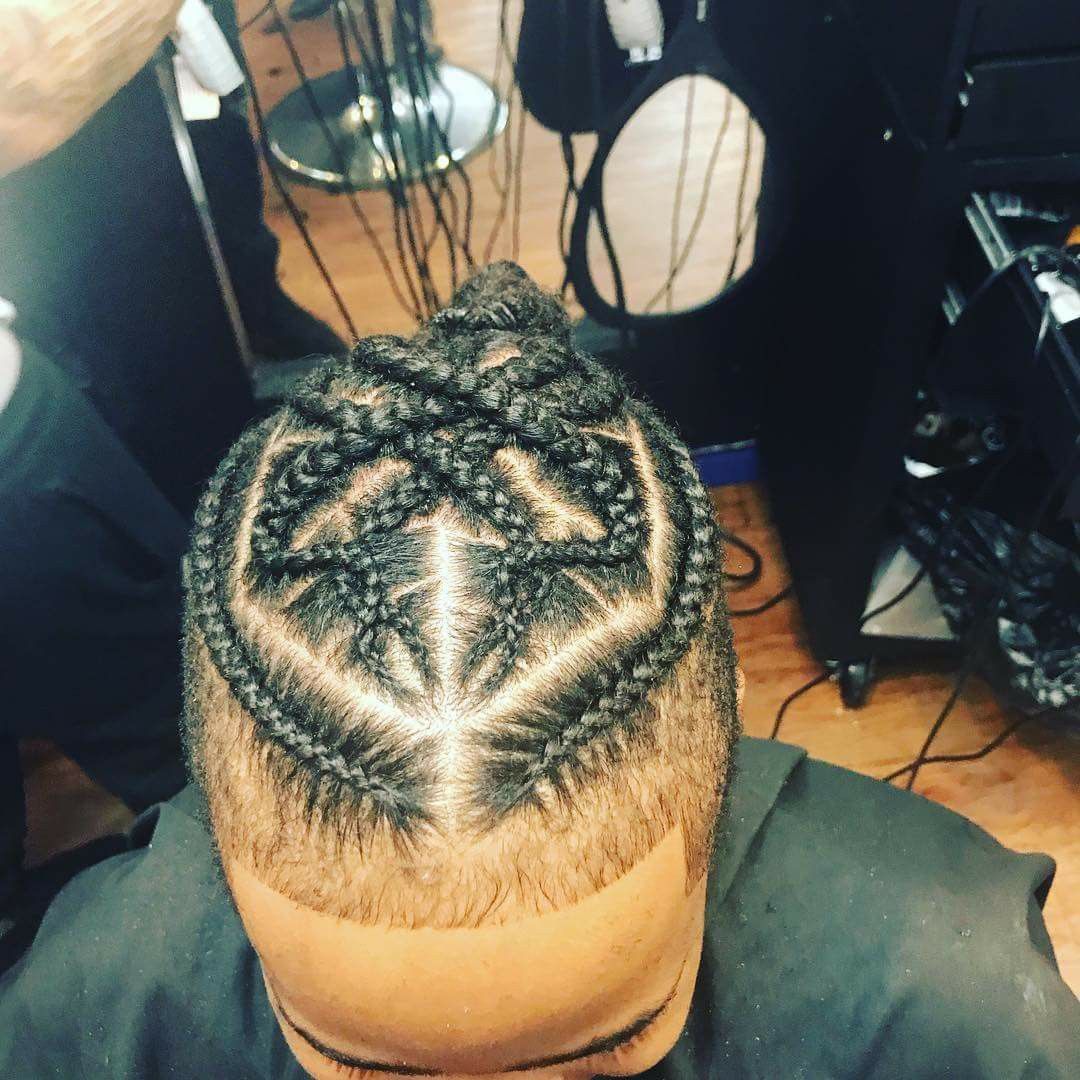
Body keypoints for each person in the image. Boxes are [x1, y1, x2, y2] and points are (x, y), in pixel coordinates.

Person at [1, 264, 1077, 1077]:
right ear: (216, 819)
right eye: (371, 1071)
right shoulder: (92, 1015)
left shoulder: (951, 1008)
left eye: (603, 1056)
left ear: (720, 768)